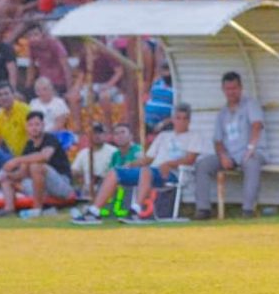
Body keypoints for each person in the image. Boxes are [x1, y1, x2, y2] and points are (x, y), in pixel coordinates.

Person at [73, 103, 206, 224]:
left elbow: (190, 159)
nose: (181, 121)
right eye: (178, 118)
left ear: (189, 120)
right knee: (116, 172)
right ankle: (94, 211)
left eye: (185, 118)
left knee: (146, 170)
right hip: (152, 171)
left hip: (174, 174)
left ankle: (136, 210)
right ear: (173, 119)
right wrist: (131, 164)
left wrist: (168, 164)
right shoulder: (164, 136)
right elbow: (148, 159)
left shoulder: (194, 136)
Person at [192, 72, 267, 220]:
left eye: (234, 88)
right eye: (228, 89)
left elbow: (257, 125)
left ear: (241, 88)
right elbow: (217, 141)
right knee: (202, 165)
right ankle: (203, 209)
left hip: (251, 151)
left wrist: (251, 148)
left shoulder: (250, 104)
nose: (231, 92)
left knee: (251, 163)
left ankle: (247, 210)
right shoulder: (222, 113)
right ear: (223, 90)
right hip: (230, 154)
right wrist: (223, 156)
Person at [0, 110, 74, 217]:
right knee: (7, 179)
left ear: (43, 125)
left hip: (61, 185)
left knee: (36, 166)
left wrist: (17, 160)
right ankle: (9, 209)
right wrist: (7, 175)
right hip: (41, 187)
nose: (34, 128)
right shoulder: (29, 145)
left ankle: (37, 209)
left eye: (37, 124)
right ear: (26, 127)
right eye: (31, 125)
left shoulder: (50, 138)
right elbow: (22, 173)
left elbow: (44, 156)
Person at [71, 122, 118, 194]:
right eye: (94, 133)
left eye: (100, 133)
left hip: (109, 191)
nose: (97, 135)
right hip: (88, 192)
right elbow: (74, 171)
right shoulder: (83, 153)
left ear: (105, 135)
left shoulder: (114, 152)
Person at [0, 81, 31, 156]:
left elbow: (32, 136)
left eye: (6, 93)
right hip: (13, 156)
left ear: (13, 95)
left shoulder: (25, 110)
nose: (3, 97)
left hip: (30, 153)